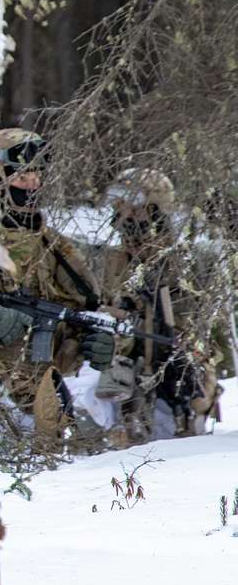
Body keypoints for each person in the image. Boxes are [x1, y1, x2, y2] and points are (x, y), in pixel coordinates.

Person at [0, 128, 115, 447]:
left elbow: (82, 307)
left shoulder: (53, 245)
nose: (32, 182)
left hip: (37, 384)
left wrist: (92, 340)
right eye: (20, 175)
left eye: (37, 173)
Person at [92, 168, 222, 443]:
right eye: (120, 209)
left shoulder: (185, 262)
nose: (124, 218)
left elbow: (202, 332)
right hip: (130, 381)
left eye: (133, 210)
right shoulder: (113, 262)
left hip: (176, 385)